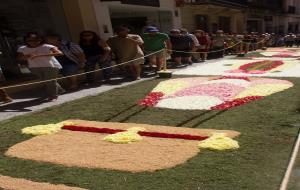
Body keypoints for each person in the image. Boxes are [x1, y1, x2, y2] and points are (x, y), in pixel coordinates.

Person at [17, 32, 64, 101]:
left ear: (41, 39)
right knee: (47, 81)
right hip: (34, 67)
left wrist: (39, 55)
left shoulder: (47, 46)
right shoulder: (22, 48)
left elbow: (60, 53)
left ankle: (53, 95)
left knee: (50, 81)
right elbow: (19, 58)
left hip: (50, 66)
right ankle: (60, 90)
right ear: (26, 40)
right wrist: (27, 56)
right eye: (29, 40)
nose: (33, 42)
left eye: (36, 40)